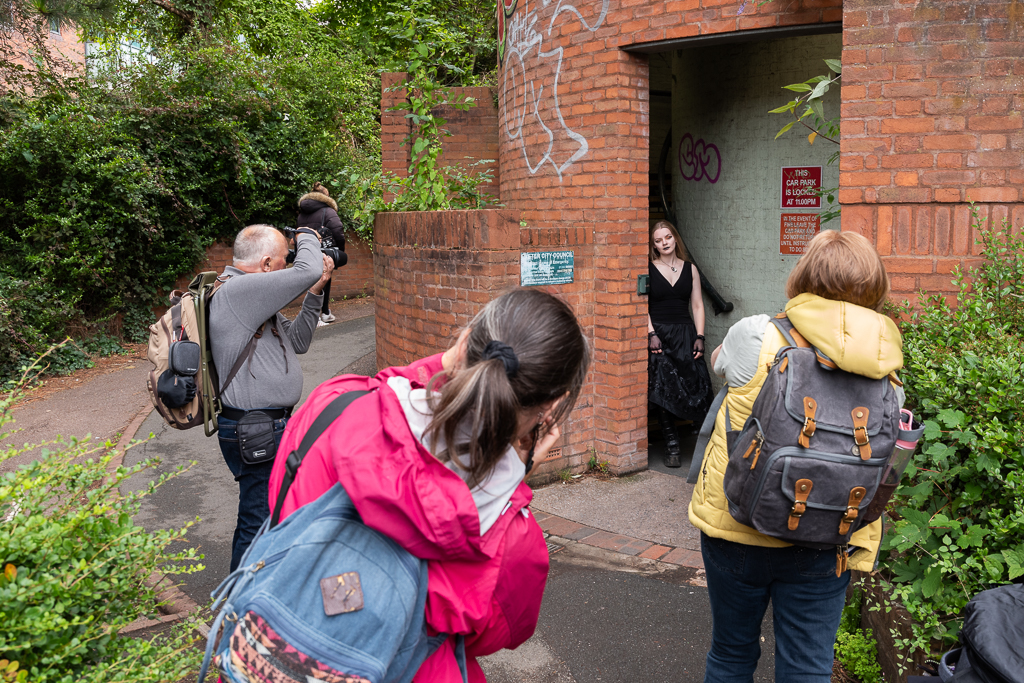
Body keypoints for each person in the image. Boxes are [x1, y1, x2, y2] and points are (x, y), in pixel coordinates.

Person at [268, 288, 591, 682]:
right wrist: (511, 481)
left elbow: (281, 498)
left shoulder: (333, 405)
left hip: (274, 650)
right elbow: (496, 635)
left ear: (464, 343)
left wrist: (444, 363)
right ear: (553, 405)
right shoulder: (514, 541)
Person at [688, 230, 904, 682]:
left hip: (738, 526)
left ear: (803, 276)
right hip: (827, 535)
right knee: (808, 666)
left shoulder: (758, 334)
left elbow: (719, 363)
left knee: (730, 653)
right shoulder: (886, 362)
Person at [210, 223, 335, 571]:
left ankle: (257, 587)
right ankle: (239, 598)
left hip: (265, 425)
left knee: (265, 515)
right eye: (285, 259)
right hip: (255, 427)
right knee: (258, 520)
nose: (288, 265)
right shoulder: (239, 291)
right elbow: (307, 269)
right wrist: (308, 231)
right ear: (266, 264)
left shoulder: (249, 297)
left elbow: (298, 342)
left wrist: (315, 292)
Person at [647, 220, 713, 467]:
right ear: (654, 245)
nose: (664, 243)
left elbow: (697, 305)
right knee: (663, 388)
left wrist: (700, 336)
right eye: (658, 240)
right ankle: (672, 445)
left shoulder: (690, 269)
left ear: (675, 238)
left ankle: (706, 441)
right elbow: (642, 305)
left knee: (698, 383)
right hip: (659, 335)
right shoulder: (648, 269)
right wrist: (651, 333)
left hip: (686, 333)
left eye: (667, 237)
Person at [297, 182, 346, 324]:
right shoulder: (328, 211)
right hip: (324, 250)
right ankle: (322, 314)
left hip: (306, 250)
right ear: (325, 197)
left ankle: (320, 313)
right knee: (325, 278)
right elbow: (338, 230)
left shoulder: (302, 213)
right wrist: (340, 250)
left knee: (313, 279)